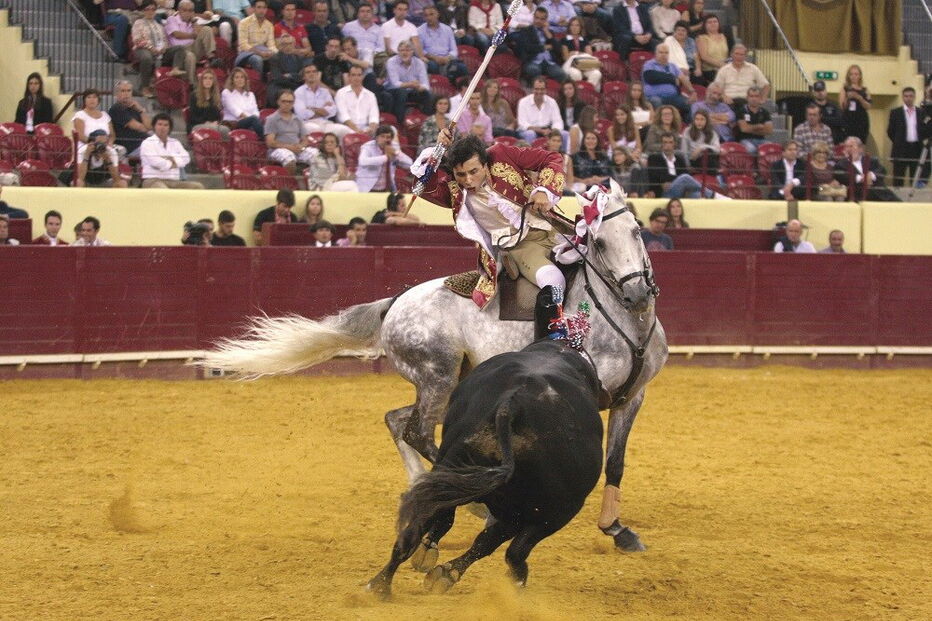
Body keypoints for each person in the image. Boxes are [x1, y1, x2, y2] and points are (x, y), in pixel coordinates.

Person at [411, 128, 568, 338]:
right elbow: (422, 186)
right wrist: (437, 150)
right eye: (461, 174)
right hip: (521, 247)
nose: (467, 179)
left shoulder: (502, 154)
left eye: (474, 171)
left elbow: (551, 157)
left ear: (485, 164)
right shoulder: (454, 191)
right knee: (553, 280)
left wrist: (543, 189)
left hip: (557, 228)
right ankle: (553, 334)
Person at [140, 113, 204, 188]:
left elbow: (186, 158)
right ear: (154, 126)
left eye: (165, 125)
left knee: (198, 186)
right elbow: (156, 163)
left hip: (174, 180)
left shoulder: (175, 142)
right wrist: (175, 162)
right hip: (153, 180)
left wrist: (170, 159)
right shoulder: (147, 143)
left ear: (169, 128)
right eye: (159, 124)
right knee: (163, 191)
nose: (162, 127)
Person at [647, 131, 715, 198]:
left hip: (681, 191)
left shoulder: (679, 159)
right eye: (665, 142)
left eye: (670, 142)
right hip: (665, 193)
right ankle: (713, 195)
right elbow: (657, 176)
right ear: (661, 144)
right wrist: (678, 180)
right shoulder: (654, 158)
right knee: (684, 178)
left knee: (698, 195)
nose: (668, 145)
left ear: (674, 144)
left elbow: (685, 175)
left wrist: (675, 181)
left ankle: (711, 196)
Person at [264, 89, 319, 172]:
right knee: (289, 158)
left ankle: (315, 181)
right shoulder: (271, 119)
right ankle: (291, 182)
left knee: (318, 156)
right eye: (284, 101)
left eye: (290, 102)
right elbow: (270, 142)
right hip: (278, 150)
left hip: (297, 149)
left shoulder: (297, 119)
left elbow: (305, 140)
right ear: (278, 102)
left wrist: (301, 146)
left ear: (293, 103)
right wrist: (289, 147)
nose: (287, 104)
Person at [164, 0, 217, 85]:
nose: (187, 13)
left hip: (193, 47)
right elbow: (176, 34)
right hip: (179, 51)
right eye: (184, 10)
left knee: (207, 29)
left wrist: (194, 21)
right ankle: (192, 84)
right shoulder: (172, 19)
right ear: (179, 10)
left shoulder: (192, 22)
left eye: (190, 10)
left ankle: (211, 57)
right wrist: (192, 35)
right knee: (190, 56)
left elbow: (199, 33)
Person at [887, 86, 931, 187]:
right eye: (906, 96)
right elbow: (890, 131)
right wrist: (898, 141)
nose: (908, 98)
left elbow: (926, 130)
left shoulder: (921, 112)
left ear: (914, 97)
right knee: (898, 177)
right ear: (903, 97)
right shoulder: (895, 112)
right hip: (901, 148)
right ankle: (897, 201)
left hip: (916, 148)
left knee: (915, 177)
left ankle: (914, 199)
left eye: (911, 96)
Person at [834, 136, 900, 202]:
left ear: (860, 149)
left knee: (900, 205)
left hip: (881, 194)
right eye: (846, 147)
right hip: (858, 196)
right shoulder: (840, 165)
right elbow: (843, 177)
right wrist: (862, 178)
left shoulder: (871, 160)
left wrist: (871, 175)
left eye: (851, 146)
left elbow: (882, 170)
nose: (848, 149)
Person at [130, 1, 174, 99]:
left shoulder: (159, 26)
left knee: (178, 50)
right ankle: (145, 87)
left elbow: (165, 40)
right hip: (143, 48)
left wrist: (163, 48)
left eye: (153, 9)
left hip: (158, 50)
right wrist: (151, 48)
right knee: (147, 57)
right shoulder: (138, 22)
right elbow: (137, 39)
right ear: (143, 10)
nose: (150, 12)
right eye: (147, 9)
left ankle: (164, 87)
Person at [642, 43, 695, 120]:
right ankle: (661, 127)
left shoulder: (673, 66)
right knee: (657, 102)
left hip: (673, 97)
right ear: (655, 53)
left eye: (666, 53)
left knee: (689, 104)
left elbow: (683, 79)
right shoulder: (649, 64)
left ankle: (689, 128)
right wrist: (672, 79)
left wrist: (692, 91)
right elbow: (651, 78)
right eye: (661, 52)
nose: (664, 55)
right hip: (654, 97)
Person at [384, 39, 431, 123]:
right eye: (401, 50)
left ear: (412, 52)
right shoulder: (391, 62)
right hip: (392, 91)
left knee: (426, 94)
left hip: (412, 90)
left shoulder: (419, 63)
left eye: (407, 50)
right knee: (402, 92)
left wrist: (420, 87)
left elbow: (426, 85)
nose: (404, 53)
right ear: (398, 52)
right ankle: (400, 123)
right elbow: (395, 84)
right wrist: (411, 84)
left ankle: (426, 122)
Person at [514, 7, 567, 83]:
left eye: (542, 19)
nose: (538, 21)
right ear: (533, 17)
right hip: (533, 61)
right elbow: (528, 47)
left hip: (549, 62)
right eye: (537, 18)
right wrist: (544, 47)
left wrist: (547, 32)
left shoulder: (549, 32)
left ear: (546, 20)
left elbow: (558, 49)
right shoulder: (526, 30)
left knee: (562, 74)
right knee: (534, 71)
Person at [357, 125, 414, 192]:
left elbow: (410, 164)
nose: (385, 139)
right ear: (376, 137)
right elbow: (363, 161)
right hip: (369, 187)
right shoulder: (368, 146)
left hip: (387, 188)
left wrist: (396, 153)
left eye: (388, 137)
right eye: (382, 136)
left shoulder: (393, 147)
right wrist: (386, 157)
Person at [417, 5, 467, 81]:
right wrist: (435, 58)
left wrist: (447, 58)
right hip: (431, 59)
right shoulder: (419, 30)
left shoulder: (447, 29)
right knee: (433, 66)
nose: (429, 18)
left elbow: (454, 50)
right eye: (426, 15)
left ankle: (465, 90)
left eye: (431, 14)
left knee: (462, 67)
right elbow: (421, 50)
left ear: (438, 14)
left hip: (447, 59)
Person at [72, 88, 122, 159]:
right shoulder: (80, 115)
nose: (92, 100)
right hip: (87, 145)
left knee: (121, 150)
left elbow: (112, 135)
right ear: (84, 100)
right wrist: (95, 141)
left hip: (105, 145)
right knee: (99, 151)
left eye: (94, 97)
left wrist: (110, 143)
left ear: (98, 100)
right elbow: (80, 136)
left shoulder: (105, 115)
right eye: (89, 97)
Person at [109, 80, 152, 158]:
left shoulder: (135, 107)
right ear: (116, 94)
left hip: (145, 144)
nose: (126, 94)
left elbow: (149, 127)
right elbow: (141, 128)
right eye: (123, 91)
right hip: (133, 148)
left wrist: (141, 110)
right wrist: (145, 128)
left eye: (129, 91)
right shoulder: (116, 108)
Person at [516, 77, 564, 145]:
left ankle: (563, 155)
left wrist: (553, 131)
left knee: (564, 134)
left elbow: (558, 121)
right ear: (532, 89)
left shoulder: (552, 102)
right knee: (530, 134)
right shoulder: (523, 102)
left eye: (542, 89)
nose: (539, 92)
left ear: (546, 90)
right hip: (528, 130)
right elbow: (522, 124)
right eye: (536, 89)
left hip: (548, 130)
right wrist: (540, 130)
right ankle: (528, 155)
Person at [334, 65, 380, 136]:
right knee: (342, 130)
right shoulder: (341, 93)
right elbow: (343, 116)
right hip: (347, 127)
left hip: (366, 128)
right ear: (349, 77)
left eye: (359, 75)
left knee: (392, 129)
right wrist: (356, 130)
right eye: (353, 75)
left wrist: (371, 129)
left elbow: (374, 116)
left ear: (363, 76)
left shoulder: (370, 95)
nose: (356, 78)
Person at [221, 67, 265, 136]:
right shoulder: (226, 92)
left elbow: (255, 111)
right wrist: (251, 119)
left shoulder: (250, 94)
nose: (240, 80)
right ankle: (265, 140)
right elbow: (235, 111)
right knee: (254, 120)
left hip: (250, 122)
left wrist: (254, 120)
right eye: (237, 77)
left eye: (242, 77)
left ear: (245, 80)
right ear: (232, 80)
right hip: (233, 123)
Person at [236, 0, 277, 73]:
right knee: (257, 59)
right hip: (246, 53)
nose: (262, 10)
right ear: (253, 9)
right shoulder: (244, 23)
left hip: (263, 51)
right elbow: (243, 45)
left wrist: (272, 52)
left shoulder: (269, 25)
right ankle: (258, 82)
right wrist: (259, 52)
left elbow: (271, 45)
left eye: (264, 8)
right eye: (259, 7)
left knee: (277, 57)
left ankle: (273, 82)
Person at [560, 17, 601, 89]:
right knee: (576, 74)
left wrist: (575, 53)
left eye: (577, 25)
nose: (574, 27)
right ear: (569, 27)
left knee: (596, 74)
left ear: (581, 27)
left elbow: (589, 54)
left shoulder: (584, 40)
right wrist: (580, 54)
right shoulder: (564, 40)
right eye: (572, 25)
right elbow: (566, 57)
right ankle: (577, 94)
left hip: (584, 65)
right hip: (570, 65)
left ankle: (587, 91)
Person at [188, 69, 229, 138]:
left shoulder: (216, 96)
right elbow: (193, 116)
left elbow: (218, 116)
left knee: (225, 130)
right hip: (197, 124)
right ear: (201, 81)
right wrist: (206, 122)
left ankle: (222, 148)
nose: (208, 80)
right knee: (213, 129)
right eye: (205, 78)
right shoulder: (194, 95)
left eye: (210, 78)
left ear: (213, 81)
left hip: (213, 125)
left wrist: (216, 122)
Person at [734, 87, 772, 155]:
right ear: (747, 98)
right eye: (751, 96)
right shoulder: (741, 111)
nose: (754, 99)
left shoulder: (765, 112)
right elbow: (744, 129)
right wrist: (759, 126)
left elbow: (769, 130)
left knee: (770, 148)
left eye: (756, 96)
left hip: (761, 140)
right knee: (751, 149)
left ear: (760, 98)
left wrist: (750, 128)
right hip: (745, 140)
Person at [840, 65, 871, 143]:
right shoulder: (845, 88)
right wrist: (848, 98)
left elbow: (868, 106)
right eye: (851, 74)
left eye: (856, 74)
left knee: (861, 143)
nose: (854, 76)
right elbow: (842, 106)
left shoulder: (865, 90)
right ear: (848, 76)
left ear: (860, 76)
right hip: (848, 120)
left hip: (861, 121)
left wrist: (859, 98)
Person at [810, 80, 845, 145]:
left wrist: (822, 119)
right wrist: (831, 120)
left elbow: (840, 121)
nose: (820, 93)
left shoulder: (833, 105)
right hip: (816, 142)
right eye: (818, 91)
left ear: (826, 91)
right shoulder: (810, 107)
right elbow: (811, 122)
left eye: (822, 90)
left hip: (834, 141)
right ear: (814, 93)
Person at [695, 13, 727, 84]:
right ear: (705, 25)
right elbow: (704, 57)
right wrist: (722, 65)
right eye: (709, 22)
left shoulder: (723, 36)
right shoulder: (702, 38)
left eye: (715, 21)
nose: (713, 24)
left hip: (724, 67)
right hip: (710, 70)